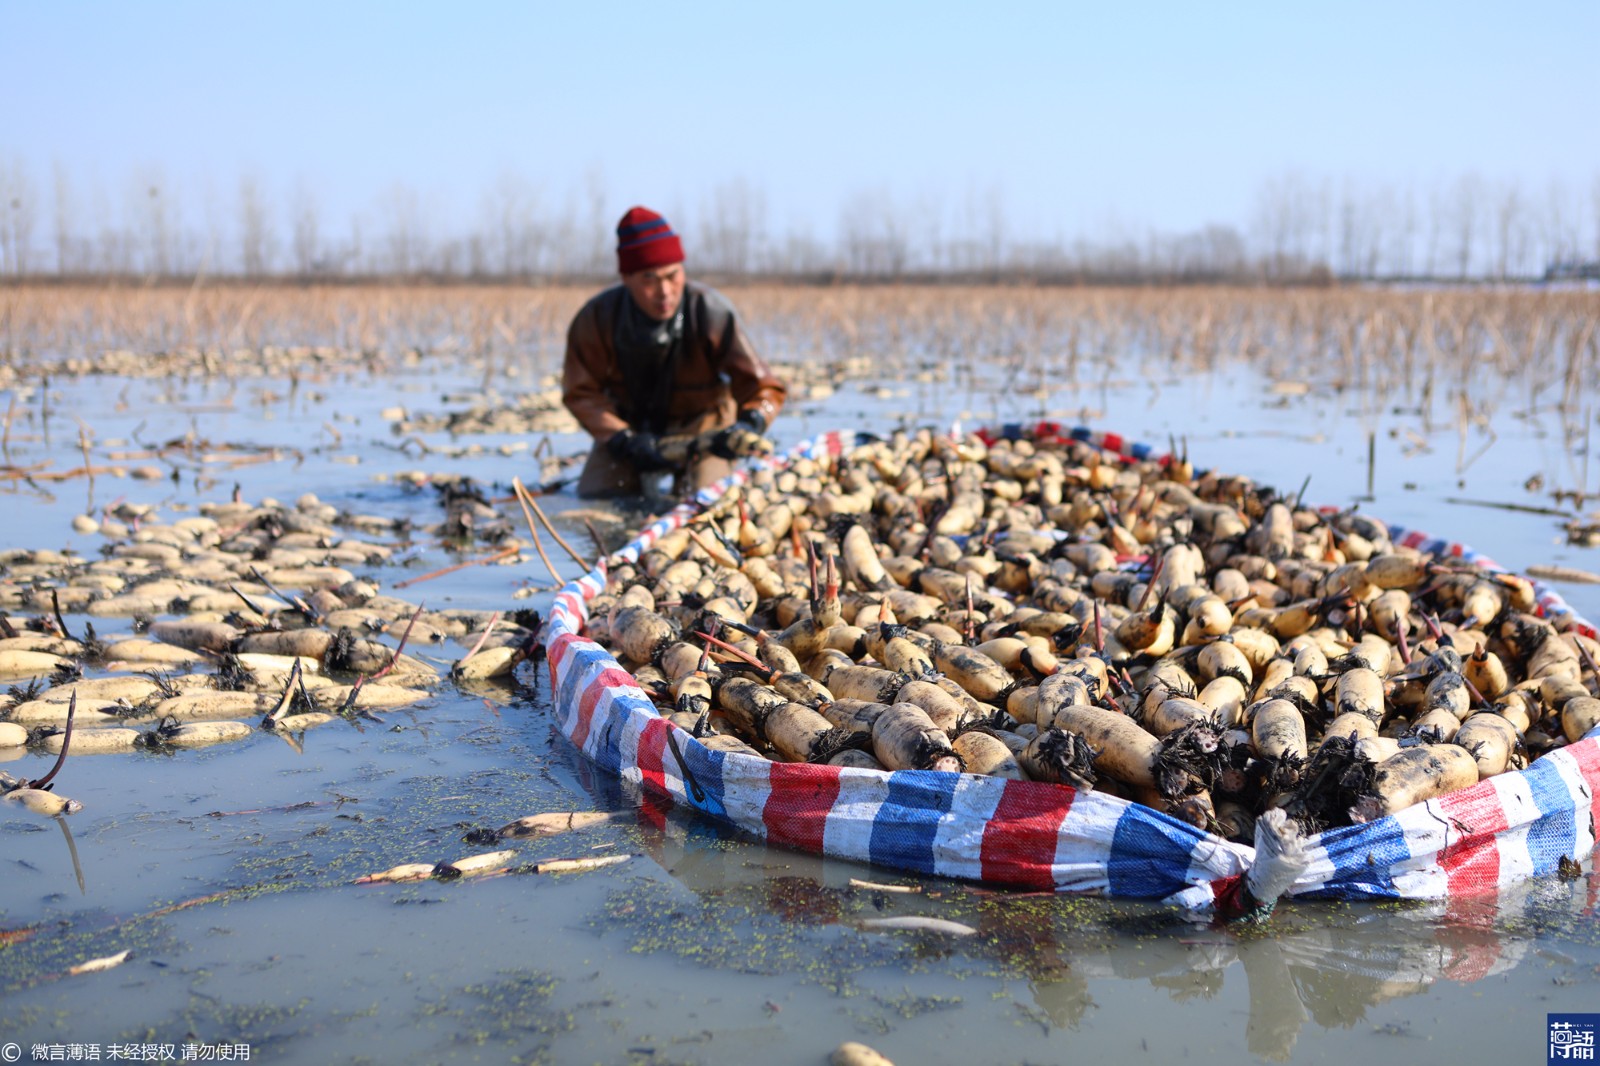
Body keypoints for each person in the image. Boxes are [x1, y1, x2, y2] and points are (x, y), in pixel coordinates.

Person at [562, 206, 787, 499]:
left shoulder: (710, 312)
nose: (665, 291)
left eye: (673, 275)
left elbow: (764, 387)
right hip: (632, 431)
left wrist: (749, 424)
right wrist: (621, 439)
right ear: (626, 277)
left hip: (704, 430)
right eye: (649, 279)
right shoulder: (597, 318)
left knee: (709, 499)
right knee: (599, 495)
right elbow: (580, 393)